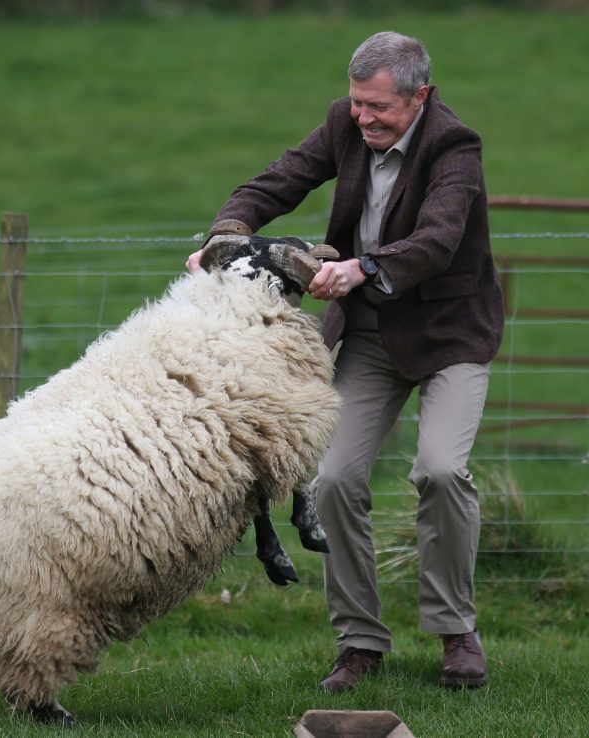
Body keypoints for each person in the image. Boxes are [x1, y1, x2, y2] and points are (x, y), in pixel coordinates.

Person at [187, 31, 503, 692]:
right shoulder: (343, 123)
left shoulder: (455, 147)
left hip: (450, 335)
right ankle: (359, 640)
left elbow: (439, 240)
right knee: (331, 480)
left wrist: (364, 267)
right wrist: (225, 236)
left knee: (442, 469)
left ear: (420, 97)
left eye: (378, 108)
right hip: (367, 335)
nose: (363, 118)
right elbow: (273, 184)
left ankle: (455, 631)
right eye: (357, 104)